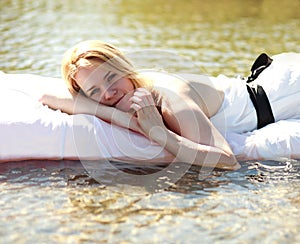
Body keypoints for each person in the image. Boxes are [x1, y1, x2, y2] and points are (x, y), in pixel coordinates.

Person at [40, 40, 300, 170]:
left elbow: (227, 161)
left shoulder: (168, 98)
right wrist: (116, 116)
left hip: (287, 93)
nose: (107, 93)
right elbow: (48, 98)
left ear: (124, 68)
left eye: (111, 77)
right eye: (94, 91)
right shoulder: (115, 100)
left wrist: (157, 133)